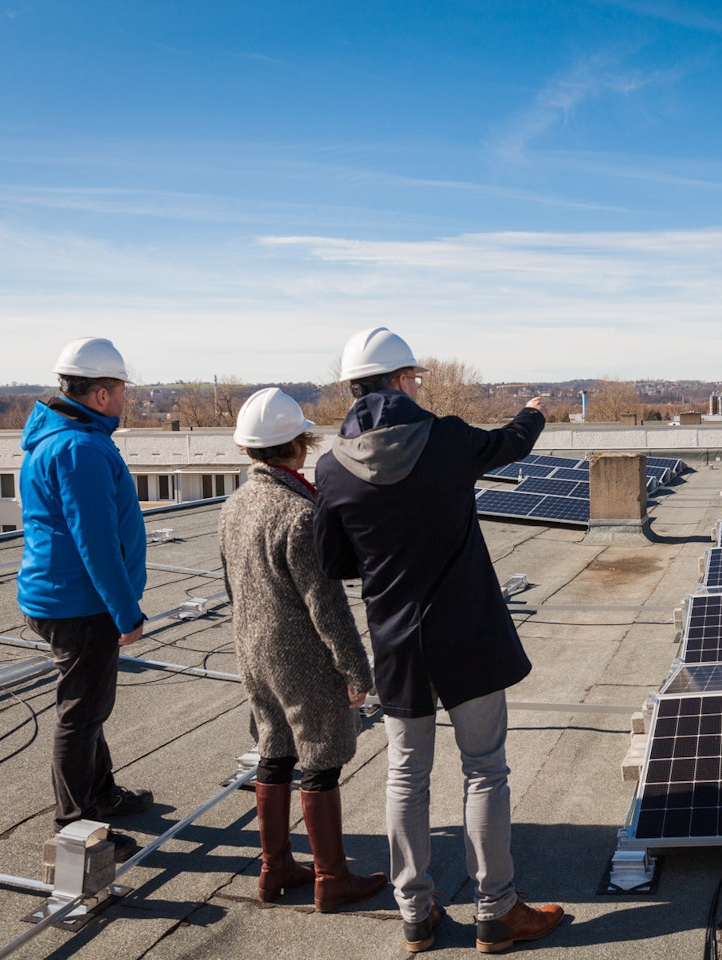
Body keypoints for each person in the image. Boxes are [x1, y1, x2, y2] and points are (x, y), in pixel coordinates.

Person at [314, 327, 564, 954]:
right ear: (401, 380)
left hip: (396, 642)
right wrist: (532, 414)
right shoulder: (447, 439)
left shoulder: (330, 467)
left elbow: (333, 559)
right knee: (484, 771)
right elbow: (509, 444)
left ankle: (416, 915)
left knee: (406, 776)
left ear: (353, 387)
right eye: (414, 379)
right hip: (467, 637)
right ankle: (496, 911)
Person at [218, 387, 386, 910]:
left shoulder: (234, 505)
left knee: (274, 750)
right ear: (299, 444)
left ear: (248, 450)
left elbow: (231, 585)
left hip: (252, 650)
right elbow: (326, 607)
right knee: (319, 760)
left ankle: (275, 870)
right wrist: (357, 671)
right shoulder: (298, 512)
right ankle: (331, 878)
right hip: (301, 655)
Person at [17, 337, 153, 862]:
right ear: (99, 394)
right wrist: (125, 611)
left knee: (90, 705)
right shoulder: (79, 448)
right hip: (80, 603)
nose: (125, 399)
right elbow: (94, 541)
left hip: (63, 595)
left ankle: (101, 794)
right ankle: (76, 825)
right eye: (121, 390)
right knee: (81, 714)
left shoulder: (61, 437)